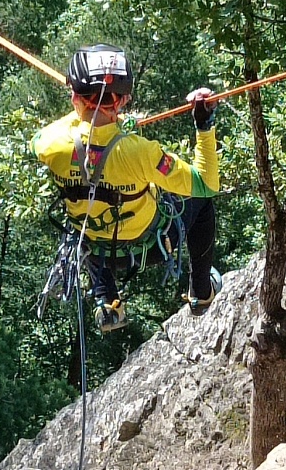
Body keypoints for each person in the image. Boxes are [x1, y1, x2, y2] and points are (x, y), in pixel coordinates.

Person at [31, 45, 221, 332]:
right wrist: (203, 124)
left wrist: (106, 117)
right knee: (202, 203)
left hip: (98, 252)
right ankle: (201, 291)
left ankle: (106, 301)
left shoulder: (49, 143)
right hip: (151, 246)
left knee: (87, 219)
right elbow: (206, 183)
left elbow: (72, 128)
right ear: (122, 101)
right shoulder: (141, 153)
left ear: (75, 96)